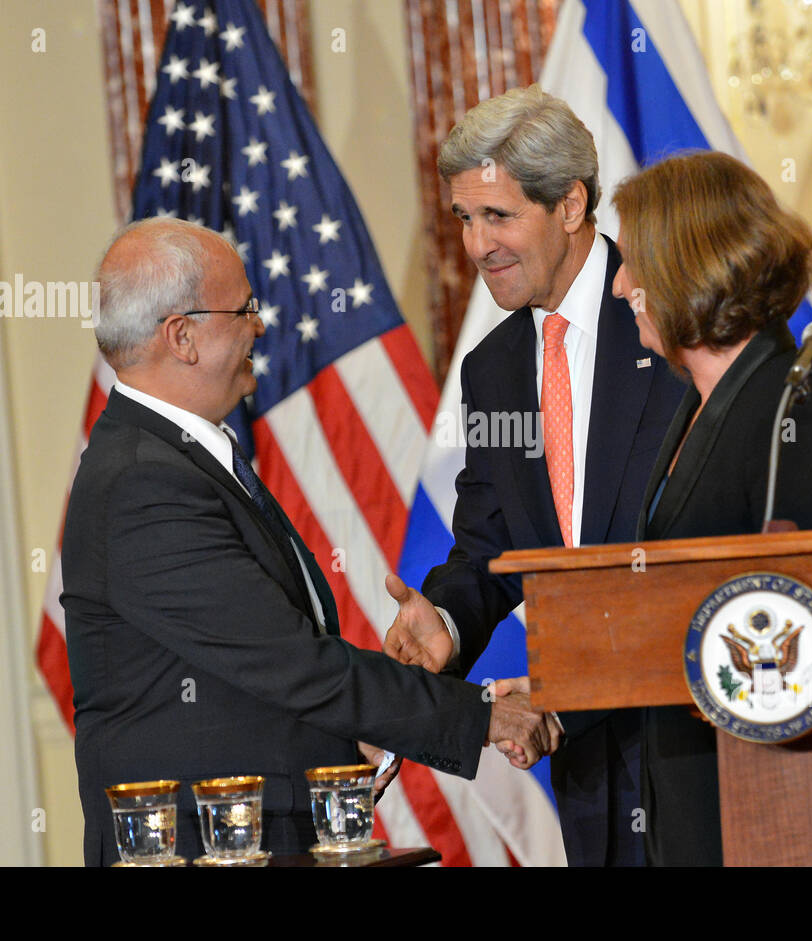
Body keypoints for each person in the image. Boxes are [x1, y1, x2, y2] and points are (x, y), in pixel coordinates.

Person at [61, 216, 558, 866]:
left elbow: (260, 674)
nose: (261, 327)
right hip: (199, 846)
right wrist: (478, 713)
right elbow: (289, 661)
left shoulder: (177, 458)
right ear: (182, 336)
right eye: (244, 309)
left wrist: (362, 733)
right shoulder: (143, 480)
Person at [381, 86, 686, 866]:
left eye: (499, 216)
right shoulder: (495, 368)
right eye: (463, 219)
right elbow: (489, 541)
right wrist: (445, 624)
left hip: (699, 742)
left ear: (572, 205)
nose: (477, 246)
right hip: (586, 769)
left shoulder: (677, 313)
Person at [609, 150, 812, 865]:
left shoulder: (795, 416)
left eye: (633, 260)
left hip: (771, 811)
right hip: (691, 795)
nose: (620, 284)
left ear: (686, 261)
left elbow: (808, 651)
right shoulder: (696, 406)